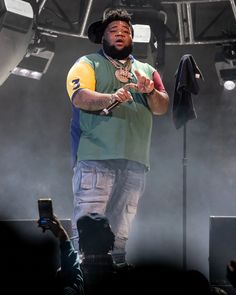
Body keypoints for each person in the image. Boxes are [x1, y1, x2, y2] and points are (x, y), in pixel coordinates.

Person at [66, 8, 169, 263]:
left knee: (120, 236)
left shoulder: (147, 69)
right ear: (103, 37)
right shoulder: (88, 63)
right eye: (114, 31)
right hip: (95, 159)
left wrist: (151, 92)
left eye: (126, 31)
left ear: (133, 38)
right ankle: (82, 284)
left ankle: (115, 282)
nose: (120, 34)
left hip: (134, 162)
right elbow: (80, 97)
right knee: (88, 235)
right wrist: (111, 97)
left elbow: (162, 107)